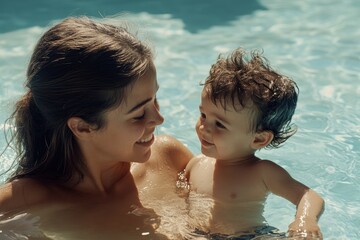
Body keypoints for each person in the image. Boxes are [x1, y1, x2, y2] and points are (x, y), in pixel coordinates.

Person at [0, 16, 193, 239]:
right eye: (139, 114)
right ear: (82, 127)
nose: (158, 119)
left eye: (155, 99)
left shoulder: (169, 159)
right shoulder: (23, 205)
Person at [184, 48, 325, 239]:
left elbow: (309, 196)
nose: (204, 128)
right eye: (203, 115)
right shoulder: (196, 165)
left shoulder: (262, 172)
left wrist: (305, 220)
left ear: (258, 139)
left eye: (219, 124)